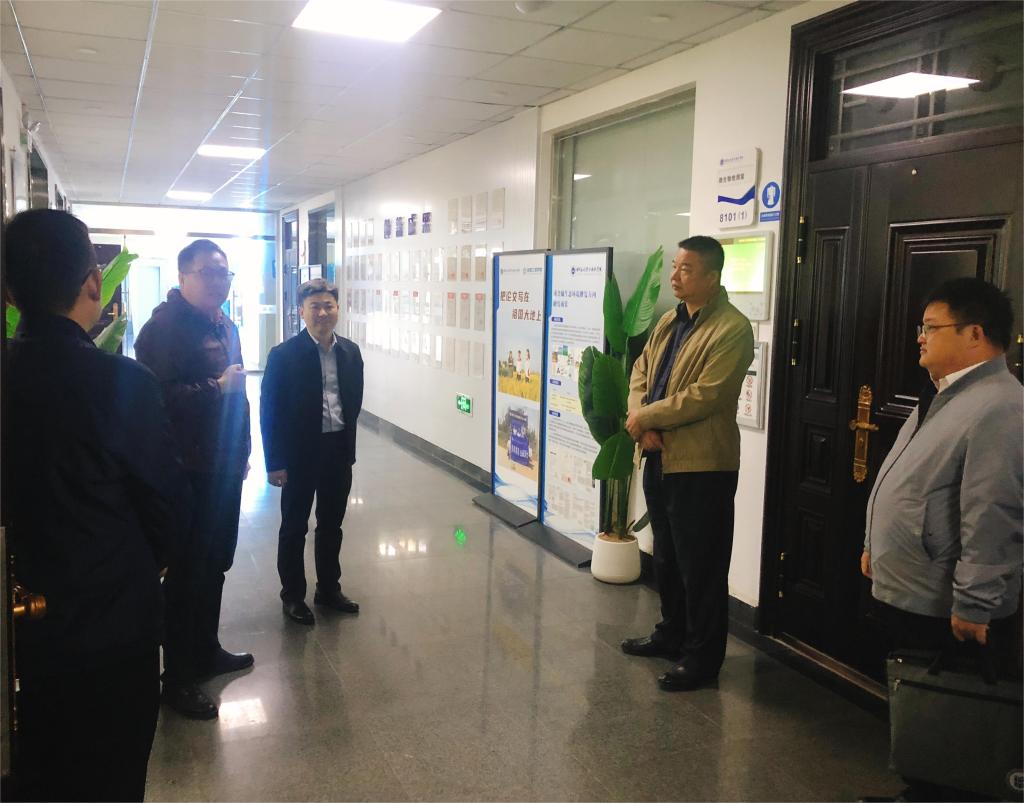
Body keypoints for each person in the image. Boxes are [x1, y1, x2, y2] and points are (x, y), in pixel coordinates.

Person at [5, 209, 190, 801]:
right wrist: (145, 565)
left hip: (20, 634)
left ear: (10, 293)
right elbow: (166, 507)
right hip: (108, 626)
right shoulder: (121, 382)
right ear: (93, 284)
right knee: (111, 774)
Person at [860, 278, 1022, 802]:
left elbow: (994, 513)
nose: (920, 337)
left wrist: (975, 603)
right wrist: (872, 542)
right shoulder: (944, 392)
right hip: (912, 582)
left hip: (947, 598)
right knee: (922, 707)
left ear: (975, 333)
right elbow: (903, 476)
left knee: (949, 715)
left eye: (931, 327)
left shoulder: (999, 406)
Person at [621, 235, 754, 691]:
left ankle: (702, 657)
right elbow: (640, 372)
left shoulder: (732, 328)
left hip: (703, 466)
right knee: (668, 556)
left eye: (687, 269)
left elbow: (706, 396)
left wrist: (645, 417)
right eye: (675, 266)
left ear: (712, 277)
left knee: (702, 565)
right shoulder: (668, 321)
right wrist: (641, 421)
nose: (675, 276)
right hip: (659, 455)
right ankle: (671, 634)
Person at [135, 239, 253, 720]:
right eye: (207, 273)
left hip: (223, 466)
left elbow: (240, 397)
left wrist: (243, 450)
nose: (217, 282)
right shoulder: (163, 328)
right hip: (187, 471)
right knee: (186, 574)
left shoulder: (224, 324)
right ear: (183, 276)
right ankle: (178, 678)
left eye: (224, 273)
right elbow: (154, 401)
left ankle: (206, 650)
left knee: (215, 564)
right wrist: (216, 387)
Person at [261, 278, 364, 626]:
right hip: (299, 453)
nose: (322, 313)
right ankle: (292, 595)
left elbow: (353, 402)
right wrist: (275, 462)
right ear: (301, 312)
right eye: (315, 307)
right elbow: (269, 411)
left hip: (337, 449)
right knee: (294, 526)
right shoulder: (284, 355)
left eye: (328, 306)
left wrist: (348, 448)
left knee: (332, 524)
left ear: (338, 309)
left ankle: (329, 589)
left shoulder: (350, 352)